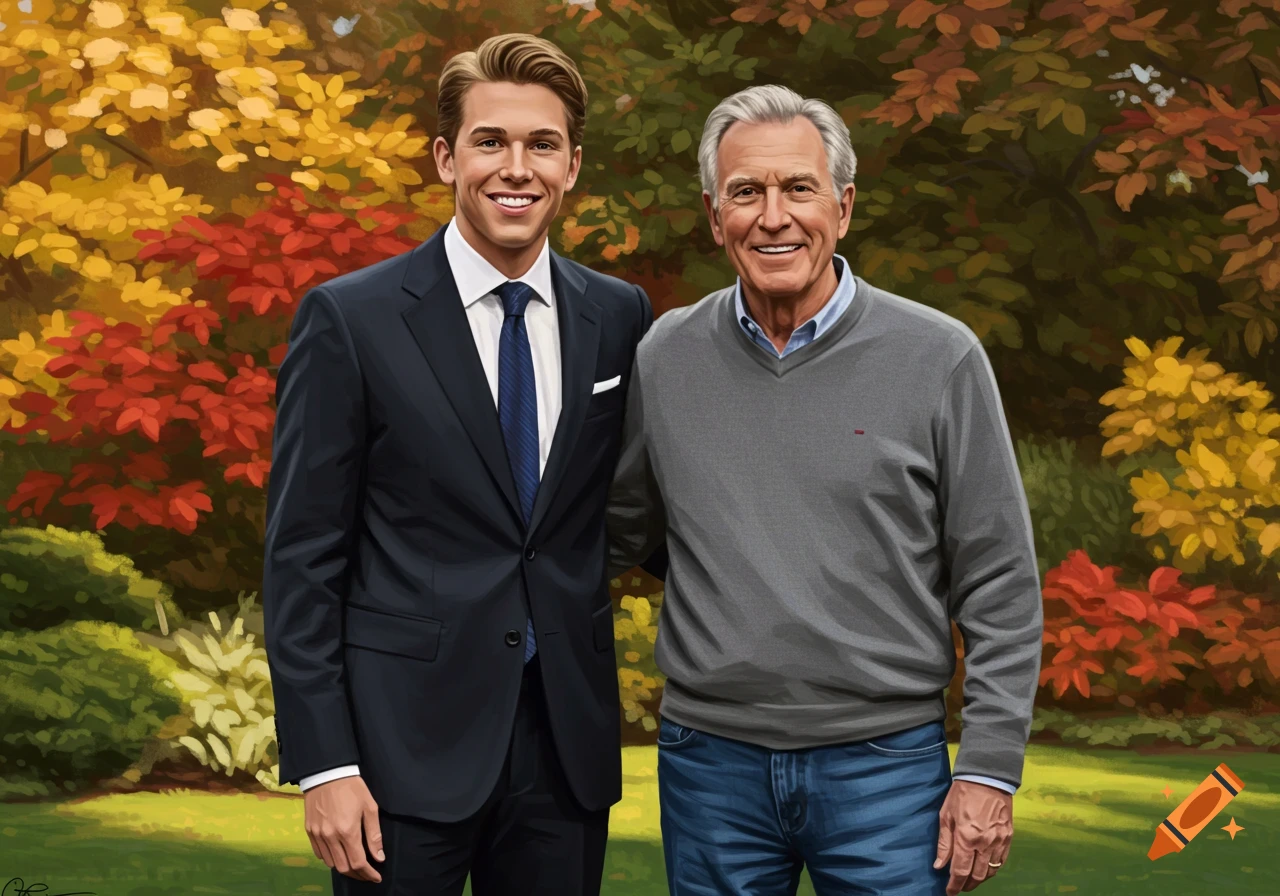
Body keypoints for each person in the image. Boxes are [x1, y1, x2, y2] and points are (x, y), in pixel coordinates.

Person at [606, 83, 1044, 896]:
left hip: (886, 768)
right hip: (710, 766)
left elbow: (1000, 583)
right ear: (714, 217)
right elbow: (621, 531)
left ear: (842, 208)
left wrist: (988, 771)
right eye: (747, 192)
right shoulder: (666, 356)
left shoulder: (939, 357)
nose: (773, 217)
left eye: (798, 189)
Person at [264, 33, 655, 896]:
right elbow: (302, 557)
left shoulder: (620, 316)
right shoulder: (351, 319)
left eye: (541, 145)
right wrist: (326, 763)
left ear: (571, 166)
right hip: (398, 753)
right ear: (447, 158)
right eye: (490, 142)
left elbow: (639, 511)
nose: (516, 168)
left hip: (564, 752)